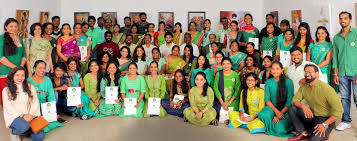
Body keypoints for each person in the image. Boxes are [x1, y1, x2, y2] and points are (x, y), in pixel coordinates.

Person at [288, 64, 343, 141]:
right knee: (292, 108)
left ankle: (326, 132)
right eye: (305, 72)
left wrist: (325, 125)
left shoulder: (327, 89)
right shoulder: (304, 87)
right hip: (313, 116)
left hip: (325, 120)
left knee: (313, 140)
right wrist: (303, 106)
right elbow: (294, 100)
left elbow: (339, 111)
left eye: (310, 72)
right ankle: (303, 133)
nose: (307, 74)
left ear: (317, 73)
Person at [2, 67, 45, 141]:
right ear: (12, 76)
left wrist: (31, 114)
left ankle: (26, 130)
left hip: (31, 116)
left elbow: (35, 102)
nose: (20, 78)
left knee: (39, 137)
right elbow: (8, 107)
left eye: (22, 75)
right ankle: (14, 133)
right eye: (17, 75)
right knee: (23, 126)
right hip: (16, 117)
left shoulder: (30, 87)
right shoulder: (6, 90)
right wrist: (22, 115)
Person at [333, 11, 357, 131]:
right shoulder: (336, 38)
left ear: (350, 20)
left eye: (345, 18)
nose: (343, 20)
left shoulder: (356, 33)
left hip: (355, 71)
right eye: (341, 18)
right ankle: (346, 121)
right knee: (344, 98)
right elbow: (335, 57)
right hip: (342, 73)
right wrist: (335, 73)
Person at [258, 61, 294, 137]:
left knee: (281, 129)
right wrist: (276, 112)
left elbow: (289, 102)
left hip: (284, 110)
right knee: (263, 115)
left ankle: (270, 125)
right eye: (273, 69)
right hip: (272, 108)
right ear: (270, 71)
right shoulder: (269, 81)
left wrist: (279, 114)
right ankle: (271, 122)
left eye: (277, 69)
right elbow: (267, 100)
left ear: (282, 70)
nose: (275, 71)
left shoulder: (288, 82)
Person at [27, 60, 63, 133]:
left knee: (50, 122)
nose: (42, 70)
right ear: (34, 69)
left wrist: (52, 112)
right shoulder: (29, 81)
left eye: (44, 68)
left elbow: (51, 96)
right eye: (40, 68)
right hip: (32, 108)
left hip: (44, 108)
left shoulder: (47, 80)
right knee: (36, 126)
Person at [0, 18, 27, 107]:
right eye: (11, 26)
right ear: (6, 27)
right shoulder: (1, 38)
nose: (13, 28)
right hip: (5, 71)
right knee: (6, 94)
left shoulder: (19, 38)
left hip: (19, 71)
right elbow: (1, 57)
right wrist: (15, 68)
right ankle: (9, 115)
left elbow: (24, 54)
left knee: (18, 93)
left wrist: (21, 67)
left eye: (15, 26)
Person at [213, 57, 241, 122]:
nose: (226, 66)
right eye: (224, 64)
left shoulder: (235, 74)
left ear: (231, 65)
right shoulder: (218, 74)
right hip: (221, 100)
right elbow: (215, 88)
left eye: (228, 64)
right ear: (222, 65)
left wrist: (229, 102)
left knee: (233, 115)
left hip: (232, 101)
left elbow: (238, 89)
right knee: (218, 112)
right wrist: (222, 103)